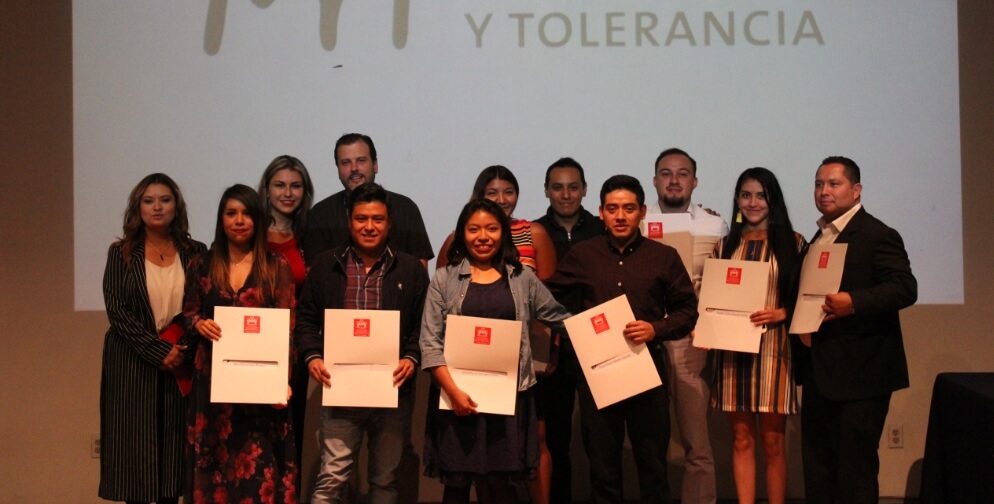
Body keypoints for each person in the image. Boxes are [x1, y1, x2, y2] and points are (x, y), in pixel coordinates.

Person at [546, 175, 699, 504]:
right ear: (600, 212)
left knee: (653, 467)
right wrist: (573, 332)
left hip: (648, 371)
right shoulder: (582, 255)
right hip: (598, 374)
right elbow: (547, 297)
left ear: (642, 211)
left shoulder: (664, 256)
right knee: (603, 470)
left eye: (628, 208)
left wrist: (656, 328)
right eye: (612, 208)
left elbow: (688, 310)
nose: (620, 216)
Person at [420, 198, 571, 504]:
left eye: (491, 228)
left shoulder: (522, 278)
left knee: (502, 487)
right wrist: (453, 391)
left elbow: (562, 318)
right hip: (457, 399)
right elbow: (429, 343)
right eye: (474, 229)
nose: (483, 236)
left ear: (503, 233)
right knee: (456, 488)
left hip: (509, 399)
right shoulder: (444, 279)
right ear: (462, 234)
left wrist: (612, 329)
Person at [295, 183, 430, 504]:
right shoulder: (325, 265)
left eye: (377, 219)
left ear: (389, 222)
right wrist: (312, 356)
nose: (369, 227)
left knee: (385, 481)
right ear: (349, 221)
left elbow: (424, 326)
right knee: (332, 478)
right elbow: (305, 321)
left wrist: (411, 358)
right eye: (361, 219)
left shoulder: (410, 269)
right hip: (341, 391)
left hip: (393, 390)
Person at [799, 156, 917, 504]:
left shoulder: (877, 234)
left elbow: (905, 288)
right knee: (818, 470)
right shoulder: (818, 237)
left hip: (863, 374)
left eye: (834, 184)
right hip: (821, 372)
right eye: (819, 184)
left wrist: (854, 302)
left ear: (856, 189)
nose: (824, 191)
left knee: (855, 473)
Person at [183, 184, 298, 503]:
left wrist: (282, 381)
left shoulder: (276, 266)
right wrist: (198, 323)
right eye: (231, 213)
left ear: (258, 219)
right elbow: (189, 312)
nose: (239, 220)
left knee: (258, 471)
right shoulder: (201, 264)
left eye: (247, 213)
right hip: (213, 384)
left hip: (261, 388)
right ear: (221, 219)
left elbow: (288, 327)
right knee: (215, 470)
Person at [99, 173, 206, 504]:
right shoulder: (121, 253)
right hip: (133, 364)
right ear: (138, 208)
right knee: (136, 462)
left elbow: (202, 307)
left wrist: (180, 352)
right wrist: (158, 350)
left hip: (181, 362)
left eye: (165, 199)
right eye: (149, 201)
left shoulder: (196, 252)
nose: (157, 207)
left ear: (177, 205)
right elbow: (117, 311)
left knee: (174, 457)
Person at [709, 167, 805, 504]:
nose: (753, 203)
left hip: (775, 350)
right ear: (737, 200)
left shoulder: (794, 243)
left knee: (773, 441)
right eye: (746, 195)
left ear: (773, 200)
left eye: (761, 195)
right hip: (732, 353)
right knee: (741, 440)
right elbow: (712, 300)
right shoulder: (723, 246)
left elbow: (808, 298)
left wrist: (782, 313)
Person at [646, 147, 725, 504]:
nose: (674, 180)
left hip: (691, 339)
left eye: (682, 173)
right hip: (643, 337)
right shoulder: (638, 220)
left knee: (697, 442)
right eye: (666, 173)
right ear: (654, 181)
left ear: (694, 181)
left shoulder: (715, 224)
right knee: (648, 440)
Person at [531, 156, 605, 503]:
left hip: (599, 343)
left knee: (600, 437)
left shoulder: (603, 230)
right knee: (555, 438)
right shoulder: (534, 232)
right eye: (557, 187)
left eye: (573, 187)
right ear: (546, 191)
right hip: (551, 345)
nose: (566, 194)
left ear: (585, 190)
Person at [258, 153, 314, 485]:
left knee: (291, 427)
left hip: (295, 347)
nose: (287, 193)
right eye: (279, 185)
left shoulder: (311, 236)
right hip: (253, 342)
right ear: (266, 190)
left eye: (295, 186)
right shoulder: (248, 232)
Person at [304, 133, 433, 268]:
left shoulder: (406, 208)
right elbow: (314, 274)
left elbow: (420, 272)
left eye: (361, 160)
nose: (354, 168)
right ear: (338, 170)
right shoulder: (320, 214)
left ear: (375, 165)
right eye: (346, 162)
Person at [437, 165, 557, 280]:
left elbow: (547, 291)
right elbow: (441, 288)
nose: (501, 200)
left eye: (508, 192)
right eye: (492, 193)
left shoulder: (534, 233)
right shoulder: (458, 238)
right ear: (480, 196)